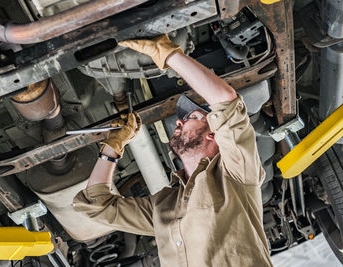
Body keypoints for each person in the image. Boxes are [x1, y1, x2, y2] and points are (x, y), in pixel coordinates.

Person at [73, 35, 273, 267]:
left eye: (188, 118)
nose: (178, 122)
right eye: (192, 117)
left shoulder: (164, 205)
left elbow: (97, 206)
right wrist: (168, 53)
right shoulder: (237, 175)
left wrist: (112, 147)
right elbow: (226, 102)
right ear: (214, 134)